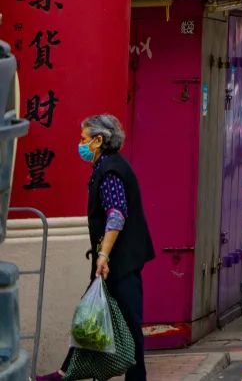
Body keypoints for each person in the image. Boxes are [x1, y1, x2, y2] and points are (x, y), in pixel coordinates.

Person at [38, 114, 155, 381]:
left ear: (98, 140)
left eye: (84, 139)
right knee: (91, 316)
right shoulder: (108, 166)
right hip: (115, 260)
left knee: (126, 322)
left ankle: (71, 374)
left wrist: (103, 255)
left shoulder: (110, 171)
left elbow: (116, 214)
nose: (80, 144)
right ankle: (65, 372)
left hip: (119, 261)